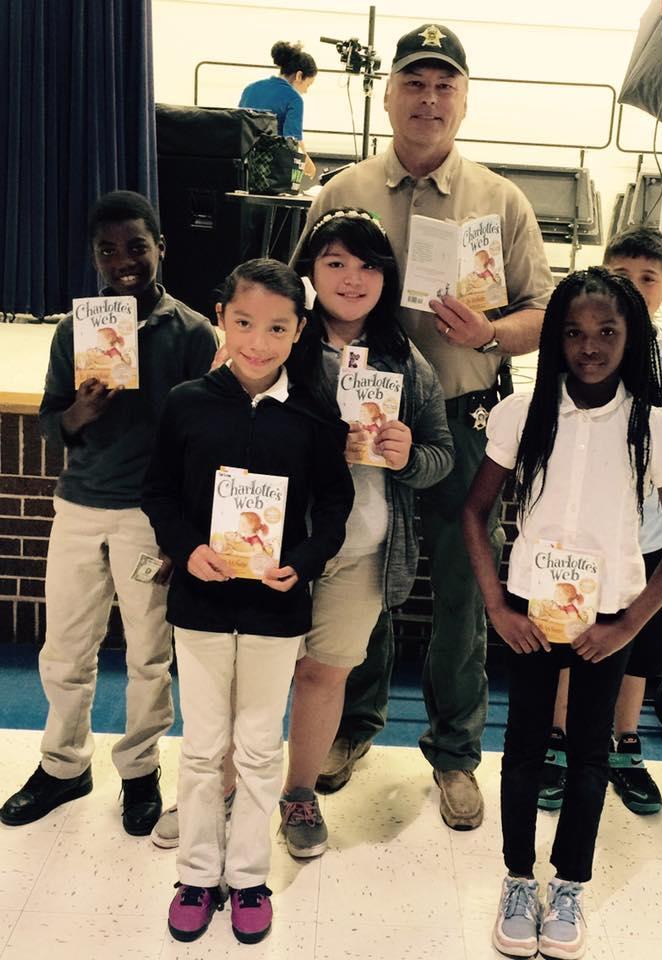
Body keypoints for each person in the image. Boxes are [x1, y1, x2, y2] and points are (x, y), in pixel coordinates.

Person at [296, 23, 553, 830]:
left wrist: (490, 334)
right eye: (415, 82)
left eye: (445, 86)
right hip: (354, 416)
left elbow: (543, 312)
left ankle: (454, 755)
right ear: (389, 93)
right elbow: (295, 294)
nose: (429, 99)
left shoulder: (500, 200)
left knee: (463, 594)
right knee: (360, 572)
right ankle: (351, 730)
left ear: (465, 101)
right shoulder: (342, 190)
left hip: (465, 417)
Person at [462, 268, 662, 959]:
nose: (589, 346)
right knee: (525, 748)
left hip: (608, 617)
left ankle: (569, 884)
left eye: (607, 332)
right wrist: (496, 606)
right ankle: (516, 878)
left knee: (591, 752)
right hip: (534, 615)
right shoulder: (523, 414)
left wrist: (627, 625)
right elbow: (473, 513)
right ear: (554, 338)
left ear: (633, 336)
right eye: (573, 332)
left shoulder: (656, 425)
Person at [142, 259, 354, 943]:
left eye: (277, 328)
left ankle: (249, 875)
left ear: (299, 334)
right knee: (204, 749)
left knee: (261, 749)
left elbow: (336, 501)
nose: (258, 342)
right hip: (201, 604)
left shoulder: (316, 419)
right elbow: (159, 492)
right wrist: (186, 546)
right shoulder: (187, 403)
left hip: (274, 609)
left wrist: (304, 563)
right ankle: (197, 874)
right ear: (222, 318)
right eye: (243, 323)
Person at [0, 191, 218, 835]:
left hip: (147, 519)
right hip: (77, 508)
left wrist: (185, 530)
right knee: (65, 648)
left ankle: (141, 769)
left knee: (150, 654)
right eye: (107, 250)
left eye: (136, 247)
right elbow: (48, 424)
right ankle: (64, 765)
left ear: (160, 249)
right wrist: (77, 413)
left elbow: (202, 439)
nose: (122, 260)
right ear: (93, 257)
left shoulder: (193, 333)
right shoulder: (76, 329)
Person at [277, 207, 454, 859]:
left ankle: (299, 791)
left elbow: (440, 457)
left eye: (368, 265)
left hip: (361, 552)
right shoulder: (279, 340)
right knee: (258, 674)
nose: (352, 279)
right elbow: (227, 428)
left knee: (324, 676)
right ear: (309, 270)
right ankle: (229, 786)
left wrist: (407, 455)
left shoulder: (403, 362)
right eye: (335, 263)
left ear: (387, 277)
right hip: (279, 546)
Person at [539, 228, 662, 816]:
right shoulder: (583, 356)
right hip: (580, 540)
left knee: (635, 644)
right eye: (623, 276)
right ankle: (559, 740)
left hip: (650, 536)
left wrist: (646, 475)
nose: (635, 289)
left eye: (648, 279)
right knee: (570, 638)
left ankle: (626, 745)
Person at [239, 40, 317, 180]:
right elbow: (292, 142)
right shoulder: (294, 99)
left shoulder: (250, 89)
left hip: (243, 169)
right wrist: (310, 166)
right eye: (308, 85)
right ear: (299, 76)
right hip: (270, 174)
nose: (306, 91)